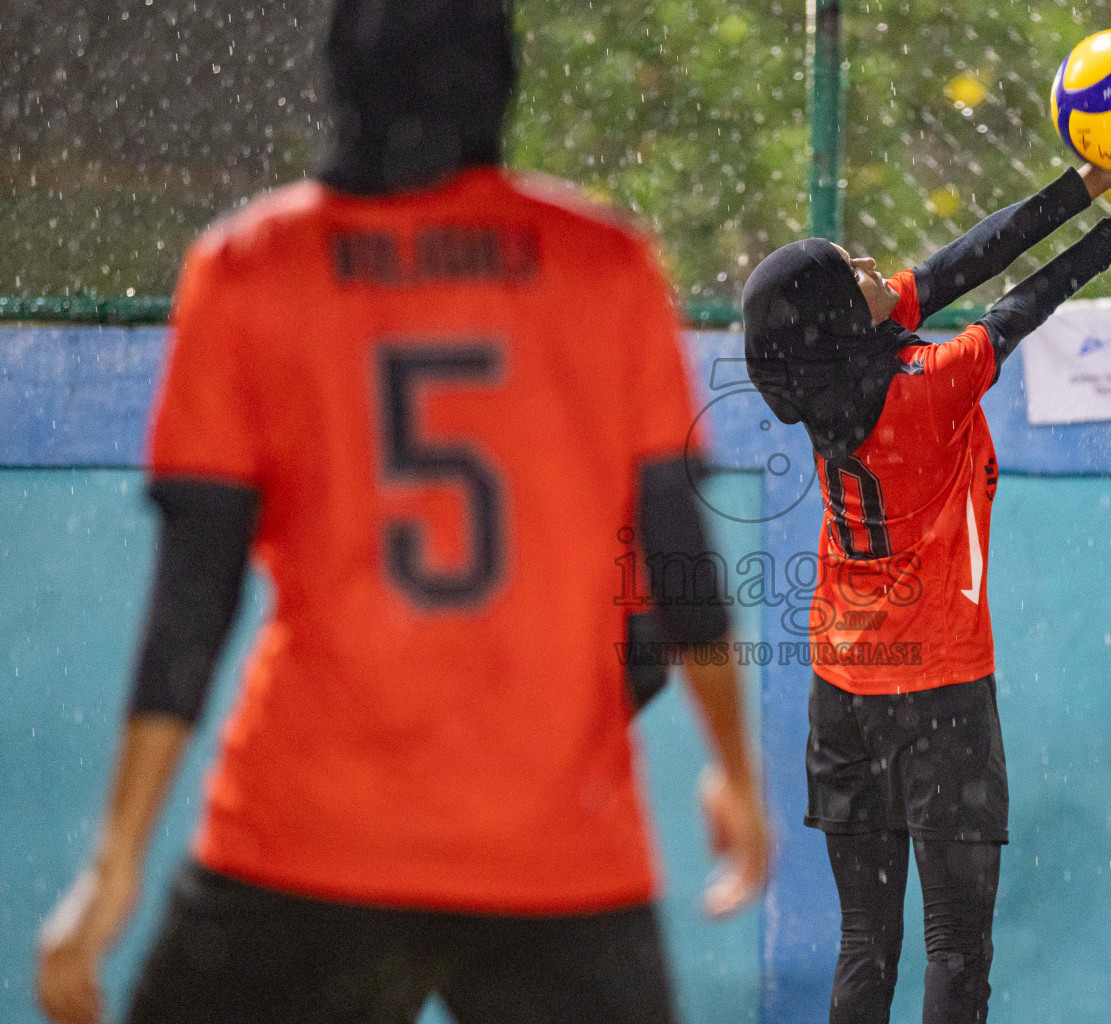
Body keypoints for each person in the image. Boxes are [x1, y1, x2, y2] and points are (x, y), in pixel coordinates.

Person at [33, 1, 769, 1022]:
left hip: (307, 832)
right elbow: (680, 565)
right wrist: (736, 774)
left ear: (342, 77)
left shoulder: (249, 268)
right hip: (553, 844)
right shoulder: (607, 265)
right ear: (499, 80)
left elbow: (192, 596)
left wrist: (114, 862)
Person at [743, 161, 1111, 1023]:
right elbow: (1019, 302)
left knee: (866, 939)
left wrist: (1084, 181)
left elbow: (964, 261)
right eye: (855, 268)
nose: (874, 264)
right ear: (843, 315)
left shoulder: (836, 370)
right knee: (957, 947)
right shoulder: (927, 384)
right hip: (936, 691)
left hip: (842, 695)